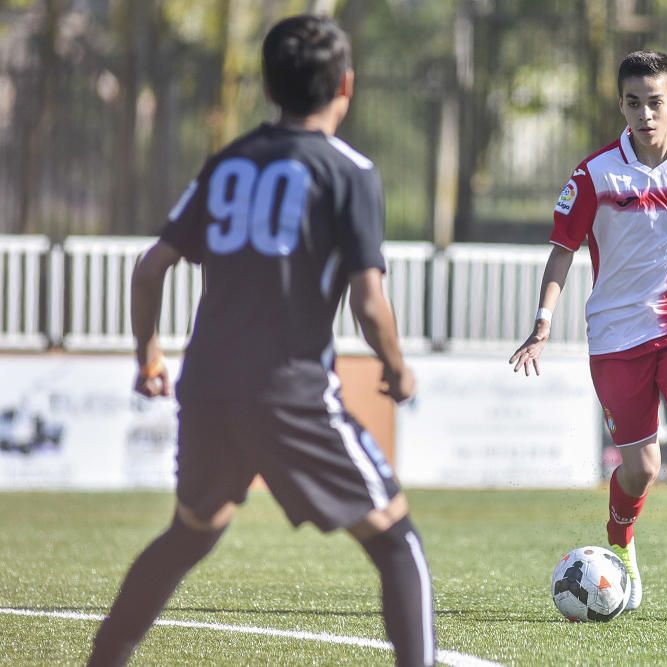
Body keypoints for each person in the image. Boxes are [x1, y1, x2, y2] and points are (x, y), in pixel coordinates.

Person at [88, 15, 435, 666]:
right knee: (397, 538)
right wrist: (397, 367)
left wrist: (148, 355)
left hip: (209, 385)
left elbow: (151, 265)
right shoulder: (350, 170)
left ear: (270, 86)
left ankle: (103, 659)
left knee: (192, 531)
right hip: (289, 390)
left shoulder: (227, 162)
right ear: (346, 86)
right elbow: (368, 298)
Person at [510, 50, 667, 616]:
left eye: (654, 102)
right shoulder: (595, 173)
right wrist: (542, 324)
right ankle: (620, 543)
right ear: (620, 105)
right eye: (632, 103)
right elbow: (562, 251)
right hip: (617, 337)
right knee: (641, 467)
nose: (644, 114)